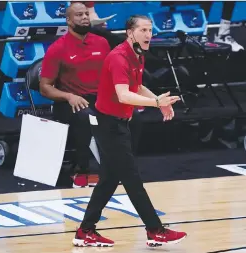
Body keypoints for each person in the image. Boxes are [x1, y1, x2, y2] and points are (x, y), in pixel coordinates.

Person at [72, 15, 187, 247]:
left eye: (150, 30)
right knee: (132, 179)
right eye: (143, 30)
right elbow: (124, 94)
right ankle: (155, 230)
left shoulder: (137, 54)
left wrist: (157, 100)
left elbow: (137, 86)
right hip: (107, 124)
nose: (148, 35)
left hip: (117, 123)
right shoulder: (118, 57)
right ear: (129, 32)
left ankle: (85, 231)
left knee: (109, 180)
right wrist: (156, 104)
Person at [39, 2, 110, 188]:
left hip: (100, 99)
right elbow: (45, 87)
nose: (85, 17)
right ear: (68, 21)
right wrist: (69, 96)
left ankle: (120, 167)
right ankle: (81, 170)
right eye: (79, 15)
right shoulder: (57, 48)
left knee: (134, 116)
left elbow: (112, 74)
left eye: (86, 14)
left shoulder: (102, 43)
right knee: (85, 117)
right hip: (71, 102)